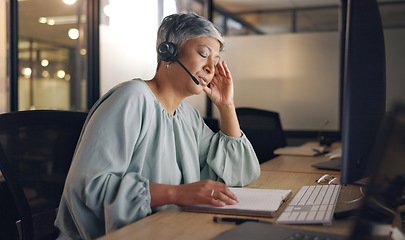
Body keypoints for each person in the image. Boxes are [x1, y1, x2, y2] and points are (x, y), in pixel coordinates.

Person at [55, 13, 261, 239]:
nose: (211, 67)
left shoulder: (188, 117)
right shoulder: (132, 97)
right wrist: (175, 193)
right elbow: (89, 188)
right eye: (203, 54)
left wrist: (226, 106)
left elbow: (240, 174)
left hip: (169, 230)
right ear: (168, 53)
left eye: (216, 59)